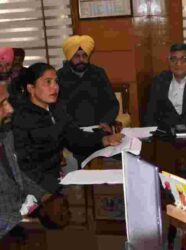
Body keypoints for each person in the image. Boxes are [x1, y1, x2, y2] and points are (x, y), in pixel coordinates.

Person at [11, 63, 124, 195]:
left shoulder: (56, 109)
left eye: (56, 82)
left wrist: (105, 139)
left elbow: (75, 138)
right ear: (31, 88)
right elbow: (25, 167)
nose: (55, 87)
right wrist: (56, 189)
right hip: (37, 188)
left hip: (57, 178)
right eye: (48, 82)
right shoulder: (22, 119)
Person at [0, 85, 70, 238]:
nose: (10, 109)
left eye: (8, 102)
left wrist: (43, 195)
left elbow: (17, 175)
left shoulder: (5, 135)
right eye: (2, 104)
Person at [57, 35, 119, 128]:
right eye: (77, 56)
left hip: (98, 127)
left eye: (84, 55)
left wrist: (106, 122)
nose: (81, 60)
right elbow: (57, 108)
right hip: (71, 130)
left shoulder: (98, 73)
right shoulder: (60, 76)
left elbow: (113, 104)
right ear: (69, 57)